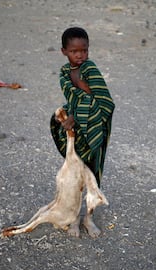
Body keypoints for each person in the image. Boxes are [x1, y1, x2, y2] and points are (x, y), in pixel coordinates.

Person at [50, 27, 115, 237]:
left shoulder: (90, 68)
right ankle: (75, 220)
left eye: (84, 50)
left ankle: (89, 218)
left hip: (95, 128)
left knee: (92, 177)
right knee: (76, 176)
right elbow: (75, 99)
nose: (80, 55)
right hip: (76, 130)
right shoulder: (64, 73)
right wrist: (70, 115)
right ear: (64, 51)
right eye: (74, 51)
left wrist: (76, 115)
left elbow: (104, 100)